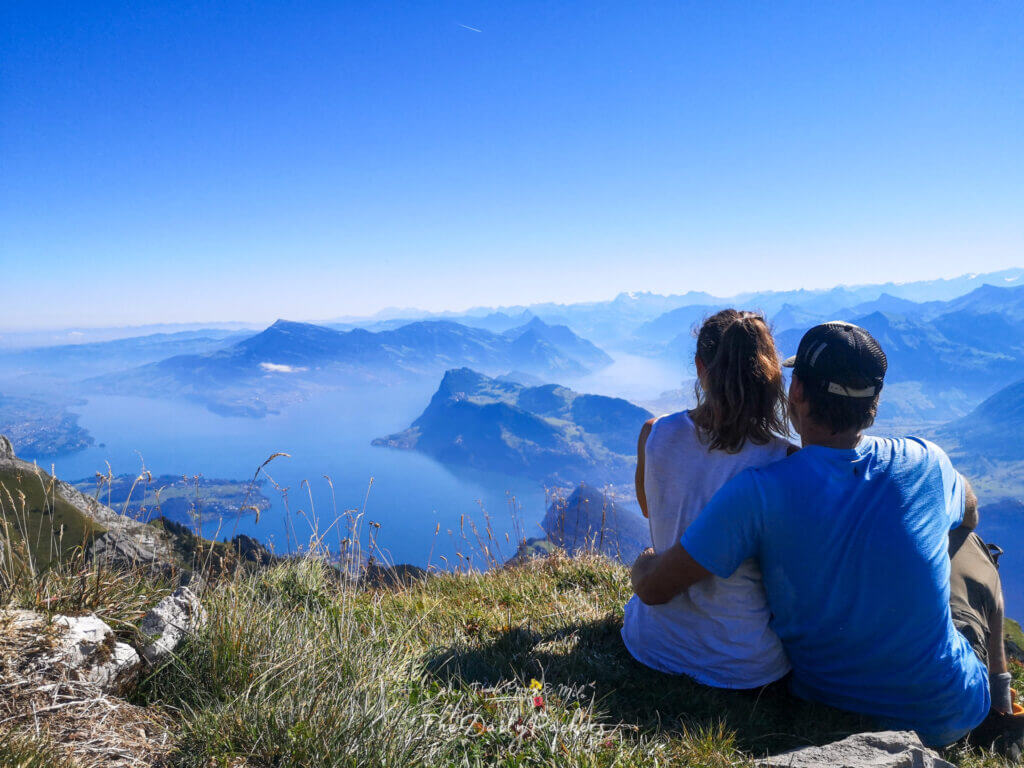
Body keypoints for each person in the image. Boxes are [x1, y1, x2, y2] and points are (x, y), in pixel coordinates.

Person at [630, 321, 1023, 751]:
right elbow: (970, 507)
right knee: (970, 546)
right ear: (874, 402)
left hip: (826, 705)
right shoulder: (927, 462)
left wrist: (645, 559)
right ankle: (1001, 702)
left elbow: (655, 585)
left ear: (797, 392)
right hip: (946, 713)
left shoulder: (760, 489)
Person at [621, 309, 794, 689]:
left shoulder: (654, 434)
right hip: (742, 665)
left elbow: (654, 511)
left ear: (700, 367)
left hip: (651, 643)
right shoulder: (784, 462)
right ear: (770, 375)